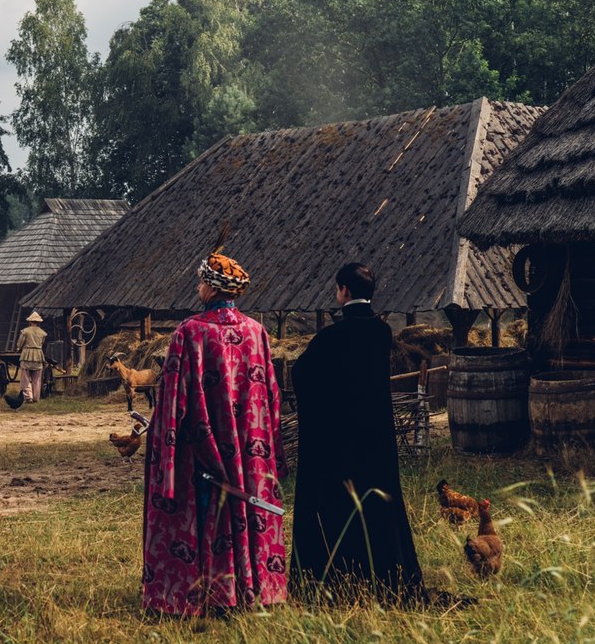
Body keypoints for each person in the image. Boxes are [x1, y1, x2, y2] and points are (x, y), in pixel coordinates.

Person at [141, 245, 287, 616]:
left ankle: (203, 594)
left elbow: (174, 399)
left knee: (206, 512)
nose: (197, 288)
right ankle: (248, 588)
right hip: (247, 449)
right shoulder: (258, 333)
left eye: (200, 281)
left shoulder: (189, 333)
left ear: (211, 286)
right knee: (241, 508)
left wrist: (167, 454)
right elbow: (270, 395)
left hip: (201, 451)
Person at [289, 262, 426, 604]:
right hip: (375, 440)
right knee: (376, 504)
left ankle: (339, 574)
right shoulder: (381, 334)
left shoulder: (330, 338)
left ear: (344, 291)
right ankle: (382, 575)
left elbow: (303, 376)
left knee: (340, 505)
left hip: (338, 441)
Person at [16, 311, 47, 403]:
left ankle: (28, 397)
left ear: (30, 321)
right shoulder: (42, 333)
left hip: (27, 356)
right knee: (37, 379)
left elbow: (20, 343)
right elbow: (42, 343)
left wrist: (19, 348)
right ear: (39, 322)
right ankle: (36, 397)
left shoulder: (25, 331)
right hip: (38, 356)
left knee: (25, 378)